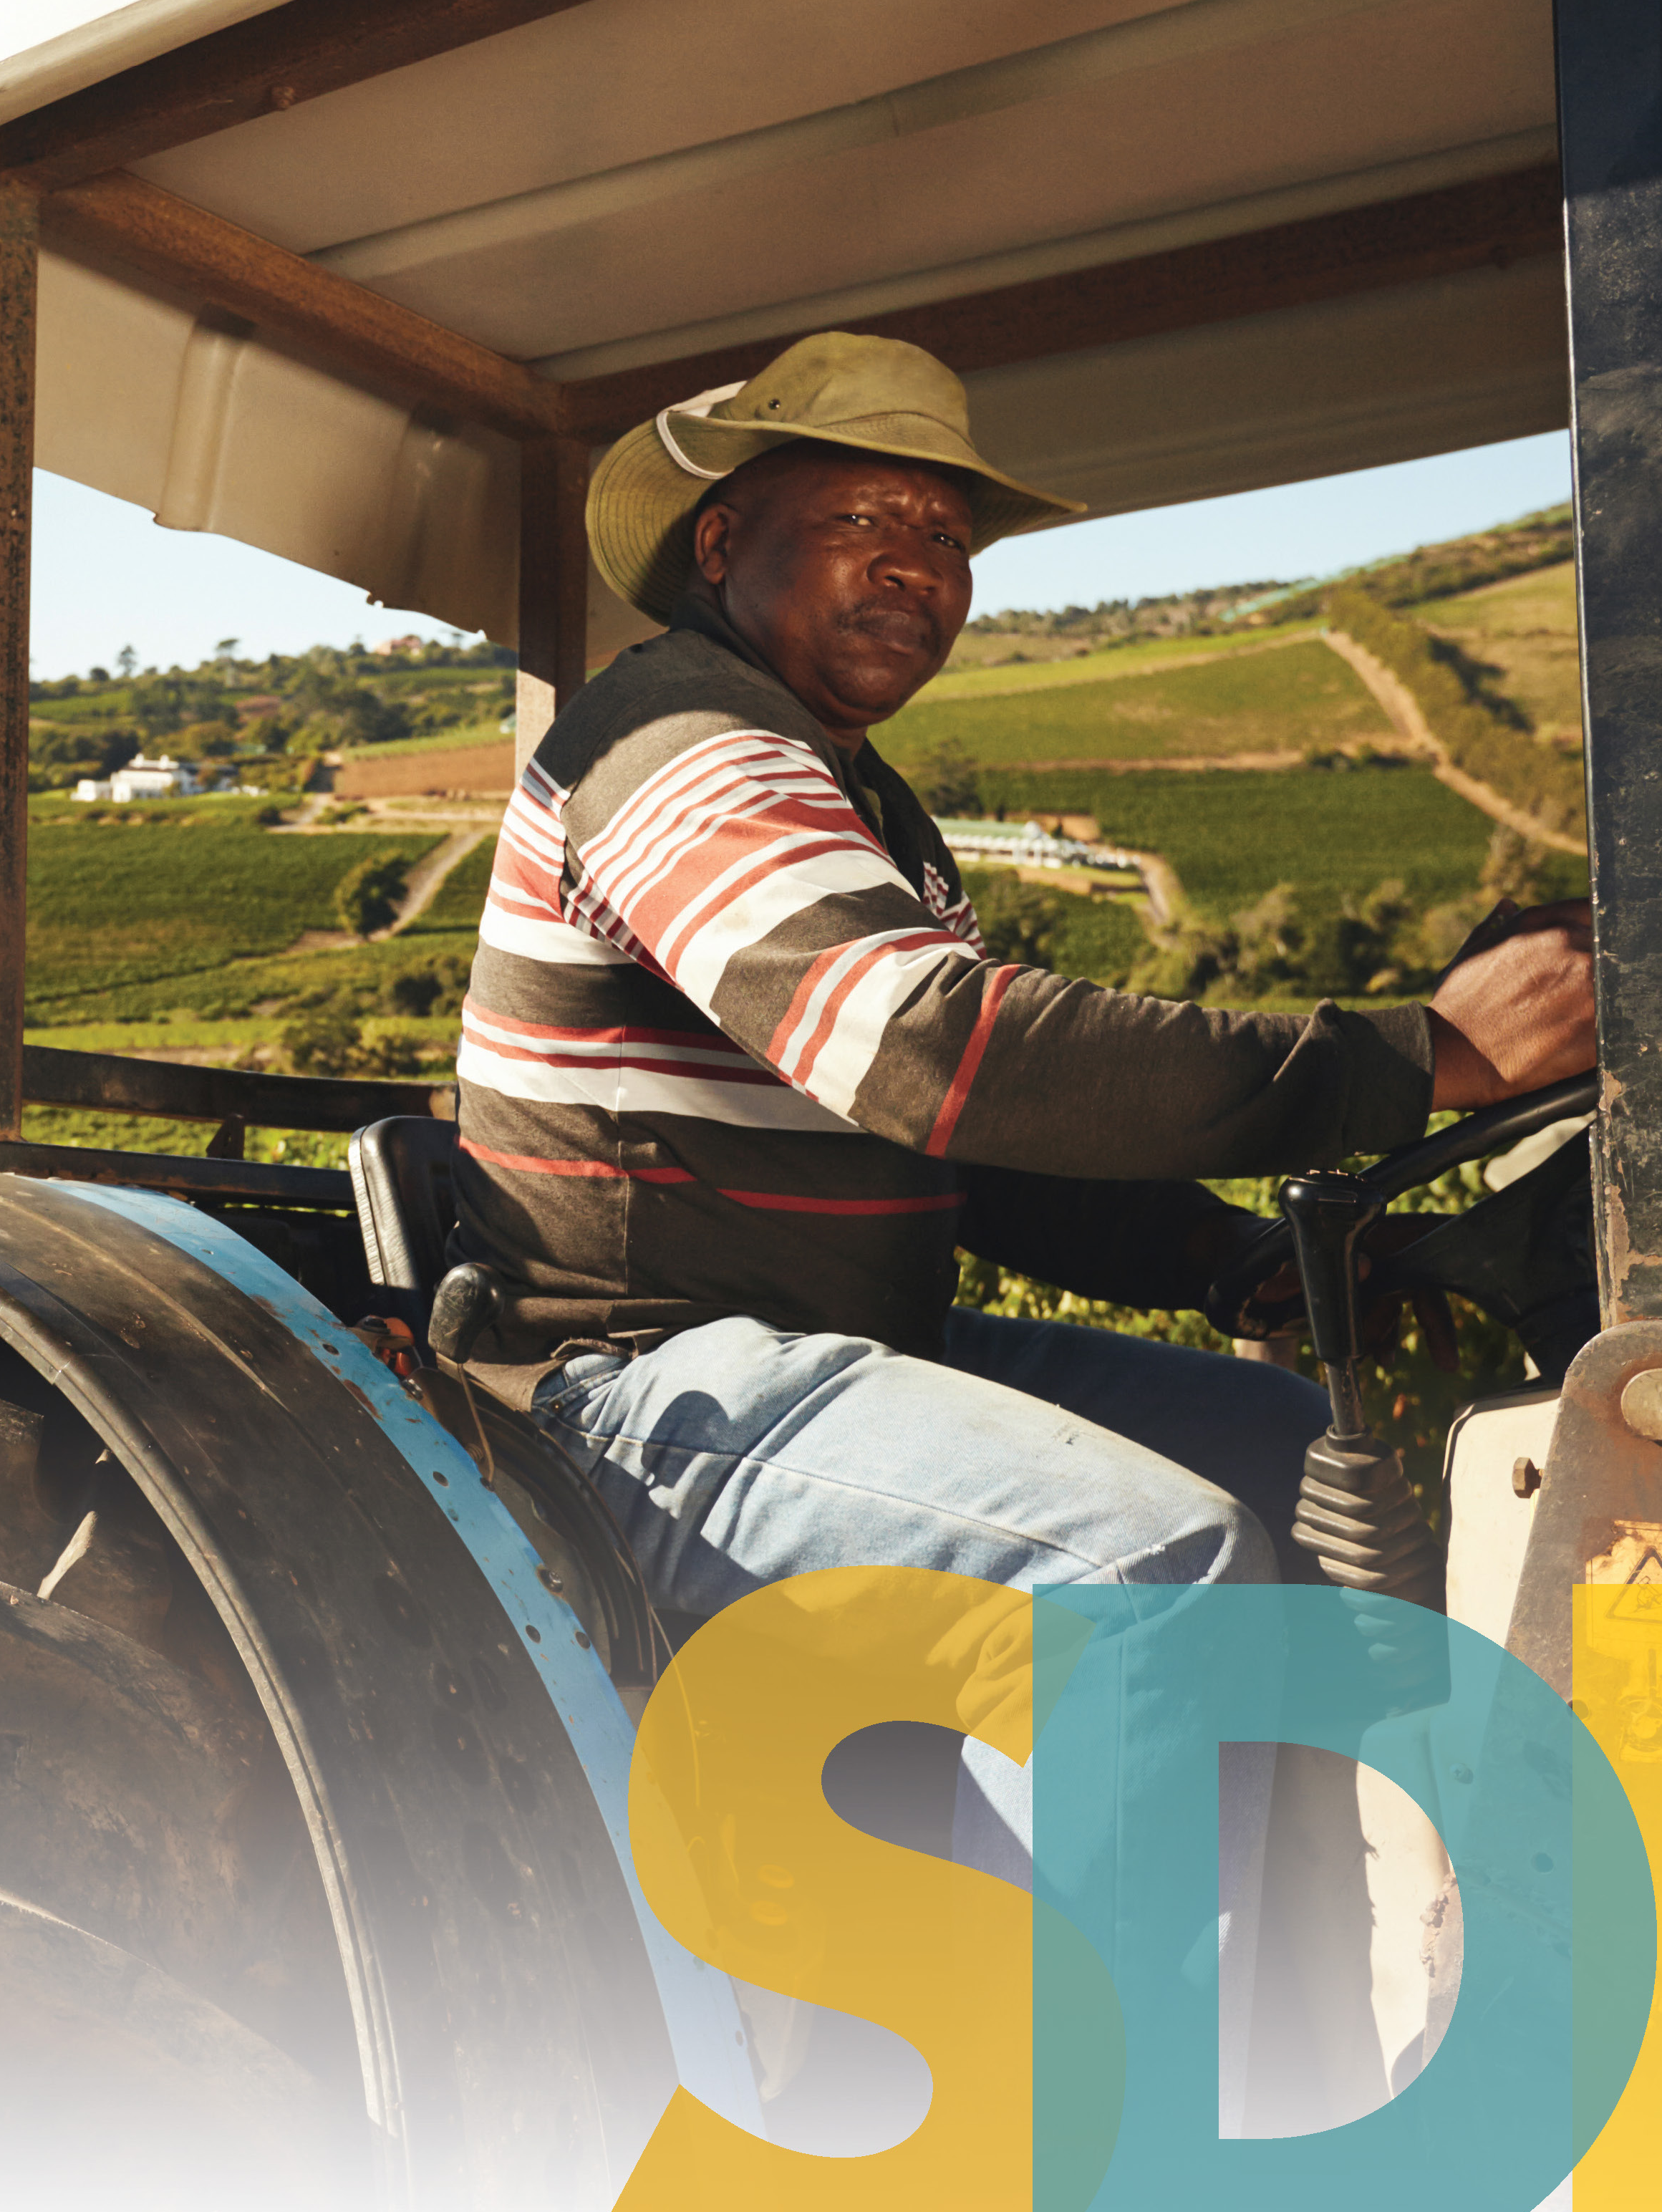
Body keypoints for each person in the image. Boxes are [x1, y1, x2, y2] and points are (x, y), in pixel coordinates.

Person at [447, 332, 1594, 1886]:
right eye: (864, 520)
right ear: (726, 541)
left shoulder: (857, 800)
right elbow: (931, 1053)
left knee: (1295, 1451)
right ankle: (1098, 2108)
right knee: (1147, 1570)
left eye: (944, 538)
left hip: (847, 1348)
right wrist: (1422, 1056)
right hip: (644, 1381)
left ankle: (1315, 2016)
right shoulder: (674, 740)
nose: (915, 566)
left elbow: (970, 1145)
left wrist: (1224, 1260)